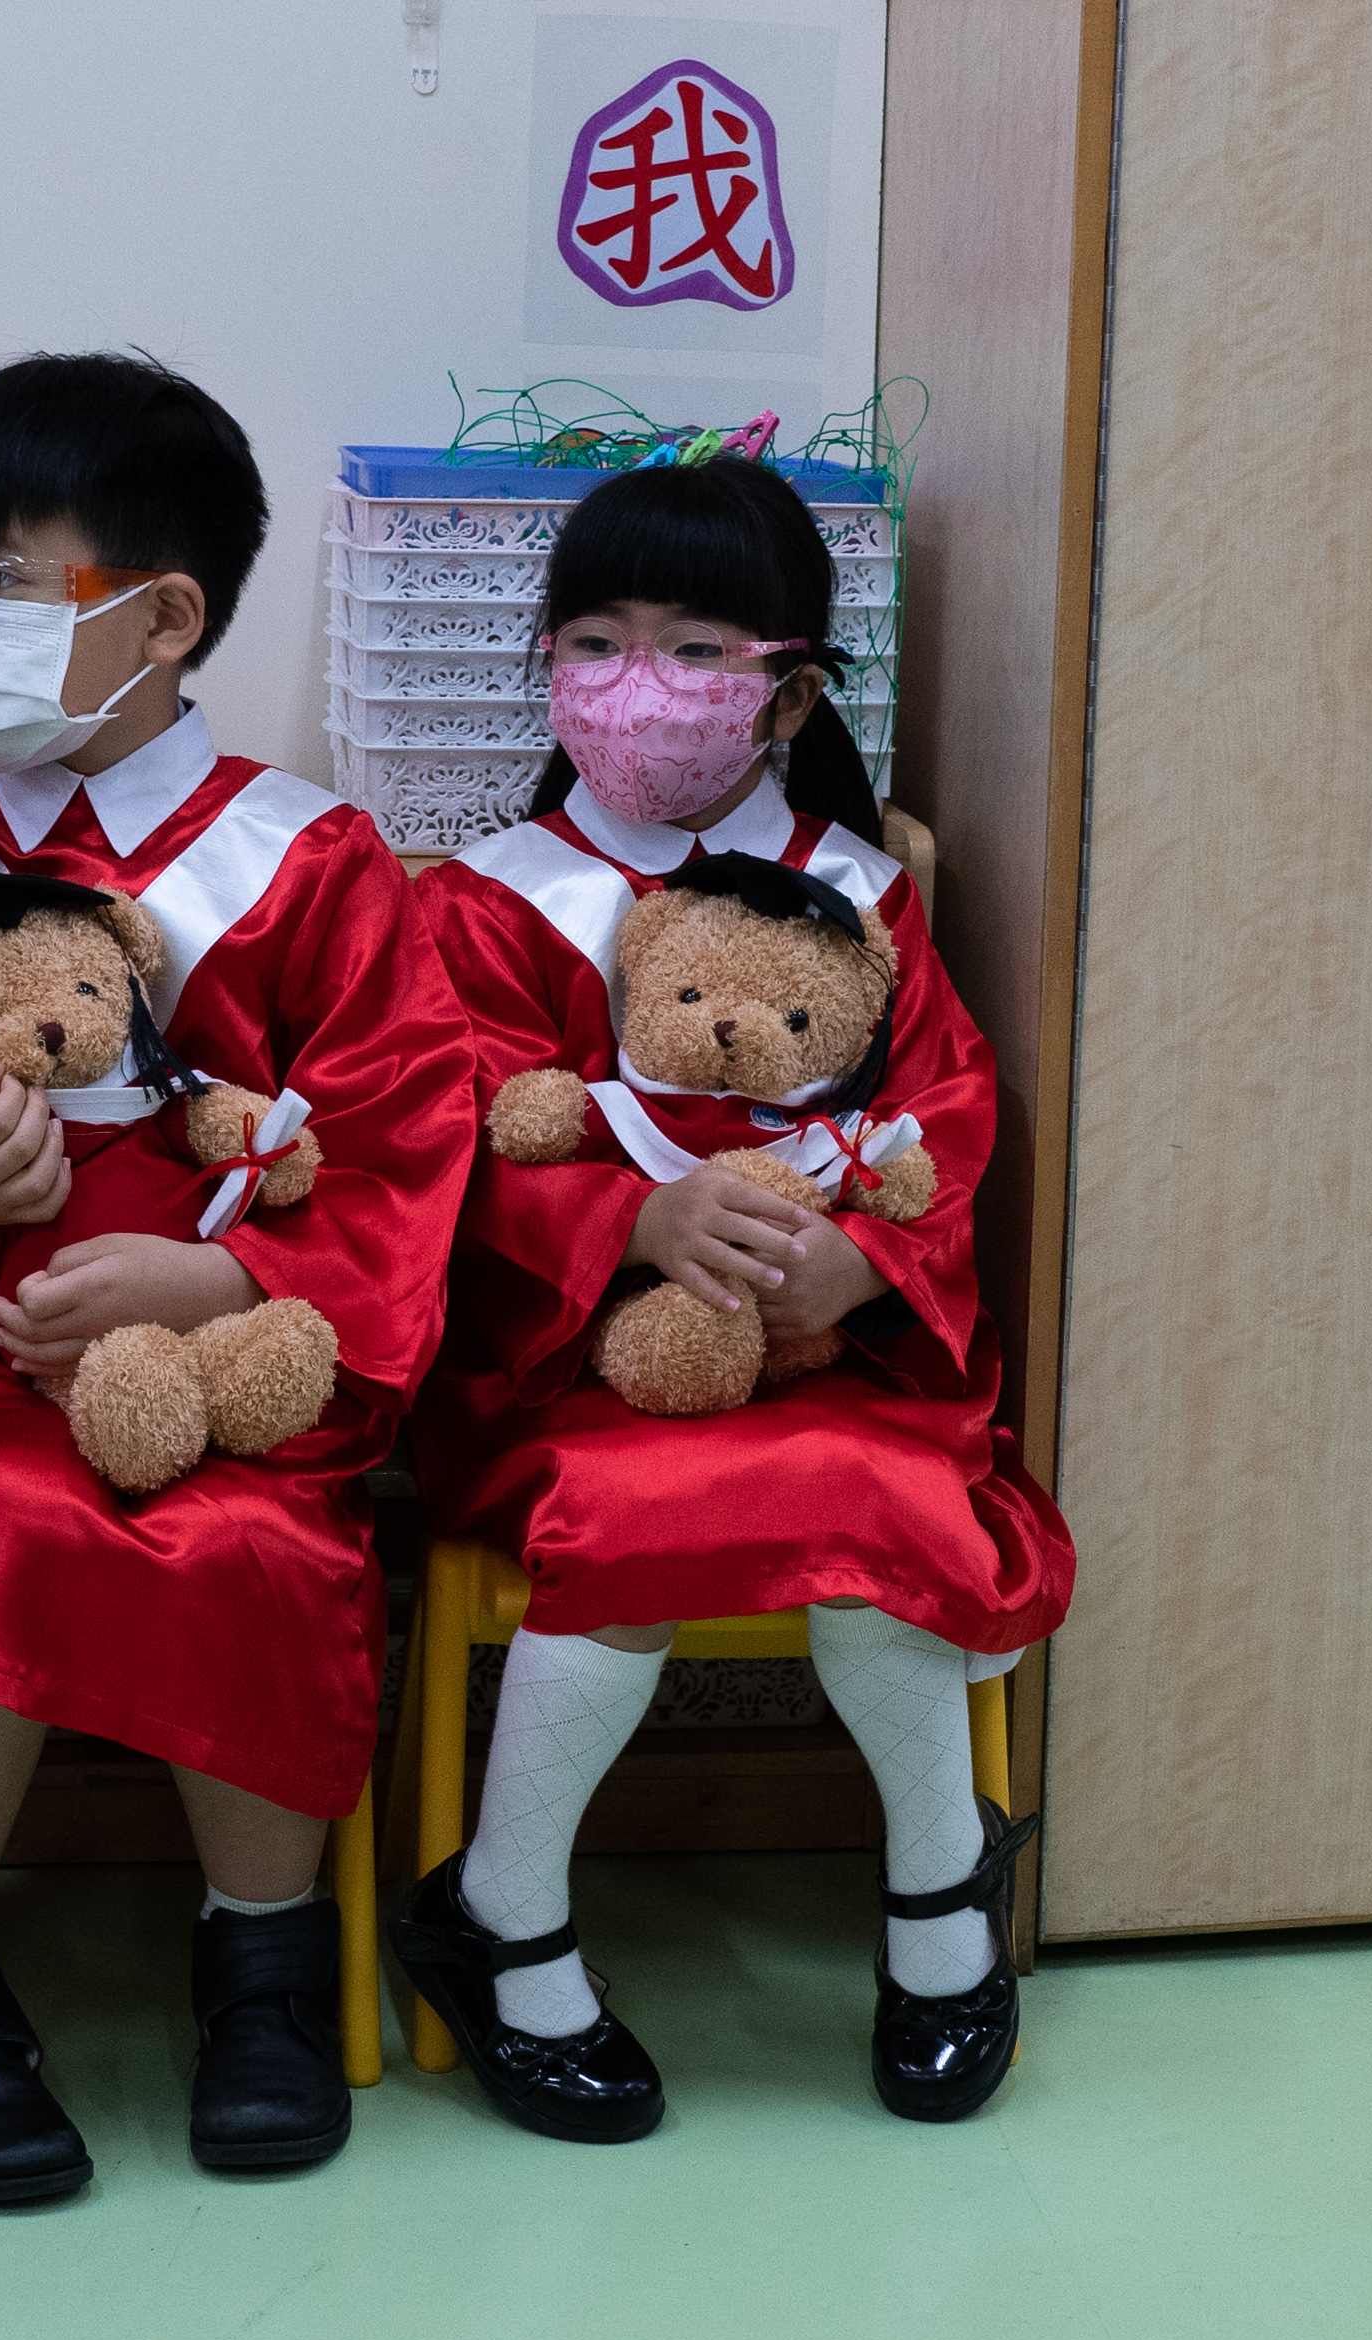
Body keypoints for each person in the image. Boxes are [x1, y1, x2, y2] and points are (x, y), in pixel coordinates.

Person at [0, 352, 470, 2203]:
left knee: (254, 1545)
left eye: (0, 581)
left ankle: (263, 1959)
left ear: (165, 617)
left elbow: (398, 1142)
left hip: (234, 1370)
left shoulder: (309, 864)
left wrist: (220, 1284)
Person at [400, 452, 1077, 2138]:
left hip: (832, 1352)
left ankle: (942, 1895)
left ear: (786, 693)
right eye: (598, 639)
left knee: (881, 1496)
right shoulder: (487, 902)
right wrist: (634, 1224)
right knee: (630, 1513)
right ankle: (502, 1912)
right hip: (590, 1374)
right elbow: (458, 1140)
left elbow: (945, 1114)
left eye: (696, 646)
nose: (639, 681)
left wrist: (865, 1260)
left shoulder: (864, 893)